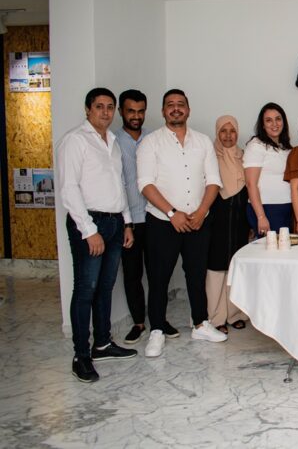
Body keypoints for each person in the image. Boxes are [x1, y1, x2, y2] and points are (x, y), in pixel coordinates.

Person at [137, 89, 227, 358]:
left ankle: (200, 324)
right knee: (159, 277)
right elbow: (145, 183)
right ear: (163, 111)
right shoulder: (151, 142)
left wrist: (201, 211)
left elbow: (213, 180)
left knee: (196, 275)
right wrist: (171, 213)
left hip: (198, 220)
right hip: (162, 221)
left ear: (188, 110)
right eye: (170, 105)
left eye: (180, 104)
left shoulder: (202, 141)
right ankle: (157, 330)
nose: (176, 108)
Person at [57, 88, 137, 383]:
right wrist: (89, 230)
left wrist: (127, 223)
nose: (105, 112)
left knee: (105, 287)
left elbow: (119, 185)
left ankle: (102, 344)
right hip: (90, 223)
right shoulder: (75, 141)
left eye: (110, 107)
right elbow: (69, 189)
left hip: (115, 222)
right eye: (99, 106)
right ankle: (81, 355)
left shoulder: (112, 141)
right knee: (85, 289)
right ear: (87, 109)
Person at [116, 89, 180, 345]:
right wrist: (125, 222)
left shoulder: (155, 140)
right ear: (121, 112)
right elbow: (116, 184)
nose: (136, 116)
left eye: (141, 111)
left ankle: (159, 321)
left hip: (156, 217)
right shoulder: (113, 142)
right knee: (132, 273)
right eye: (131, 111)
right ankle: (138, 323)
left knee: (158, 273)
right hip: (130, 220)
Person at [206, 115, 251, 334]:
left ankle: (235, 314)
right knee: (216, 267)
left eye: (232, 131)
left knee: (236, 265)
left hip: (240, 219)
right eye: (223, 131)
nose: (228, 136)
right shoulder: (209, 157)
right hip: (217, 218)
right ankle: (216, 317)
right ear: (217, 133)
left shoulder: (244, 156)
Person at [244, 102, 292, 237]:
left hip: (287, 207)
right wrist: (261, 216)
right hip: (267, 208)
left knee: (285, 248)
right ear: (263, 125)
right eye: (269, 120)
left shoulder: (285, 147)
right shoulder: (256, 146)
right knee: (271, 248)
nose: (274, 124)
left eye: (278, 119)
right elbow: (250, 184)